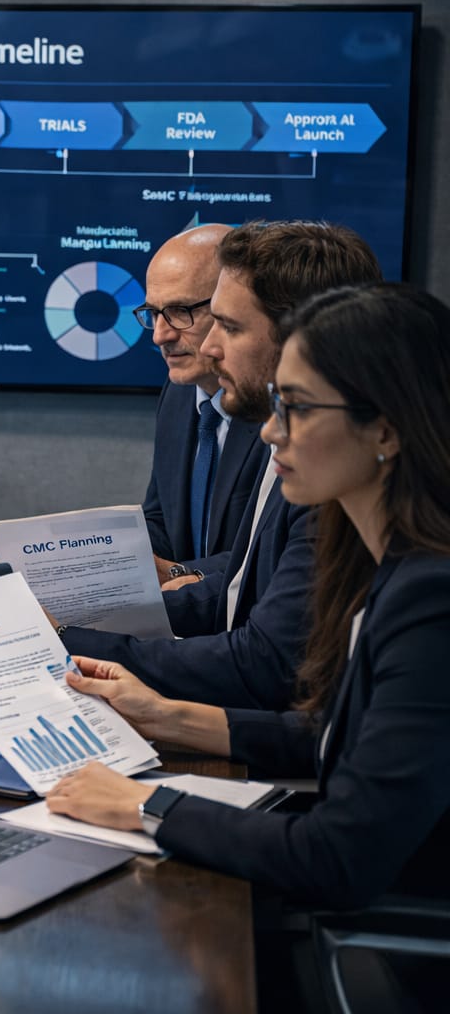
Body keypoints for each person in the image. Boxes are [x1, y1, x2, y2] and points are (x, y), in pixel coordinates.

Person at [47, 282, 450, 912]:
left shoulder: (431, 601)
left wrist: (146, 805)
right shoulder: (387, 562)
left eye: (297, 409)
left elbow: (338, 857)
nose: (269, 434)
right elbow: (338, 735)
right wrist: (163, 715)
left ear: (387, 432)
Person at [59, 221, 381, 709]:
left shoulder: (334, 473)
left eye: (224, 325)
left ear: (302, 333)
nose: (207, 347)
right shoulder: (193, 398)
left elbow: (269, 663)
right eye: (153, 314)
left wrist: (69, 638)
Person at [137, 224, 266, 583]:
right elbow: (162, 520)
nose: (161, 335)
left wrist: (184, 574)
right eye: (152, 312)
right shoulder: (179, 391)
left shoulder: (280, 406)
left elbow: (270, 554)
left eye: (180, 311)